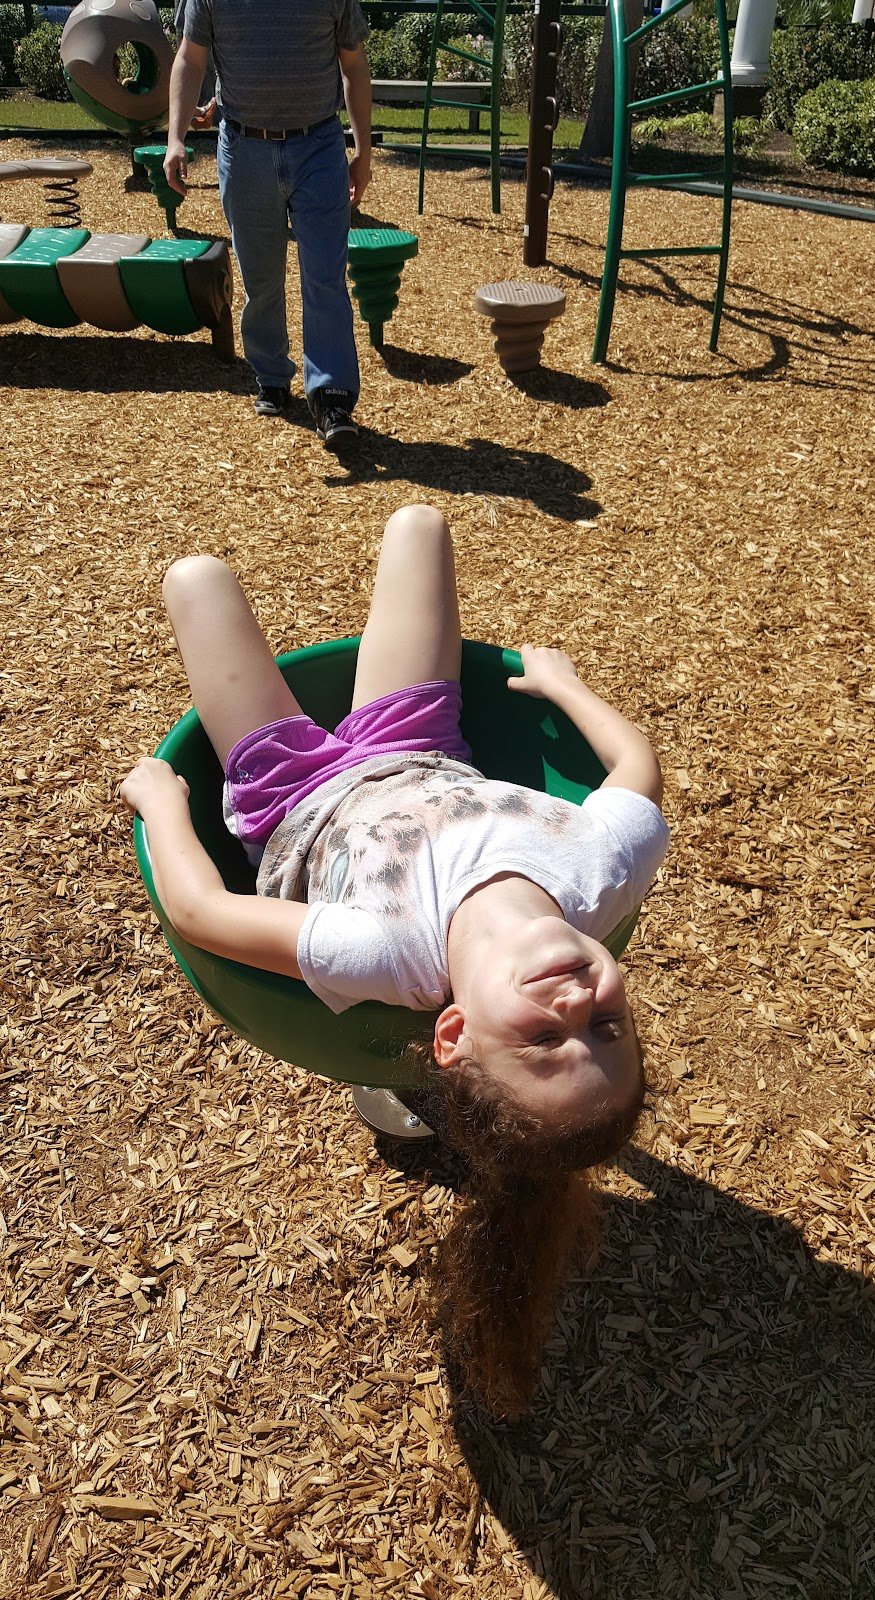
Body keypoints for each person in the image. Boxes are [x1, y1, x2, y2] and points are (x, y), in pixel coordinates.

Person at [122, 504, 669, 1412]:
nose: (576, 1005)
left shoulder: (385, 953)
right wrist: (564, 686)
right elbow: (637, 772)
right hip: (421, 743)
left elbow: (201, 911)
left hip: (292, 792)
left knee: (195, 579)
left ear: (451, 1033)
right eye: (607, 1025)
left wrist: (166, 806)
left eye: (544, 1040)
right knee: (420, 523)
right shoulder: (600, 872)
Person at [163, 0, 372, 451]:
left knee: (324, 276)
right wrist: (175, 138)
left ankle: (332, 396)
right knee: (260, 277)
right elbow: (190, 58)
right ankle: (272, 375)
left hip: (319, 146)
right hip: (244, 149)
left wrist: (363, 152)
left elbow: (353, 65)